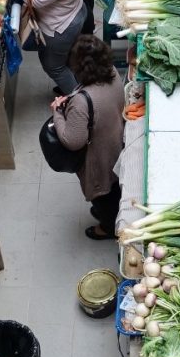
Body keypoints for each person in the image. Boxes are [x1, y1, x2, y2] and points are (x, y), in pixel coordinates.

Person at [52, 35, 126, 240]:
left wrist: (58, 112)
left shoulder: (82, 102)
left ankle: (109, 227)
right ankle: (112, 212)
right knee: (115, 187)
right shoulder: (111, 73)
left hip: (99, 157)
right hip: (116, 142)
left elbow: (73, 141)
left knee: (104, 195)